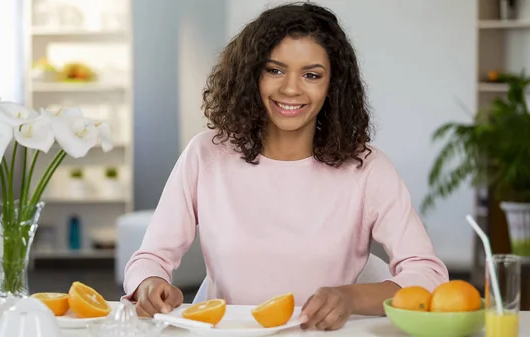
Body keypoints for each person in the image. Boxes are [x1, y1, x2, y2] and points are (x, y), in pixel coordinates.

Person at [123, 2, 449, 331]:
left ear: (332, 85)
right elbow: (149, 258)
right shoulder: (206, 154)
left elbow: (429, 275)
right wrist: (149, 284)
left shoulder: (367, 168)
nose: (291, 88)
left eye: (311, 75)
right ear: (251, 75)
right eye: (275, 70)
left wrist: (351, 297)